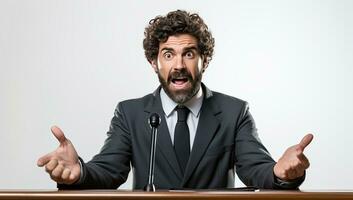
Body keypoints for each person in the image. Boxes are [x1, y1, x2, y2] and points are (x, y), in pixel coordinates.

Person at [37, 10, 313, 190]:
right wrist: (79, 172)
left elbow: (256, 168)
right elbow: (108, 171)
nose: (179, 65)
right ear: (153, 62)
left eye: (189, 54)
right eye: (168, 54)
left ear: (205, 60)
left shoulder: (234, 112)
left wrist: (280, 173)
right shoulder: (130, 113)